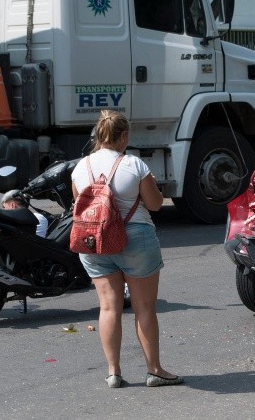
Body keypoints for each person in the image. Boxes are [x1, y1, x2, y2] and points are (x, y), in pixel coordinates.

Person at [71, 110, 181, 389]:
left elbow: (82, 207)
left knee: (108, 308)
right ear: (123, 137)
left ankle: (113, 372)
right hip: (135, 238)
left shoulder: (80, 167)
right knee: (144, 308)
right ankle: (154, 370)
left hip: (94, 241)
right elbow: (155, 204)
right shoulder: (134, 165)